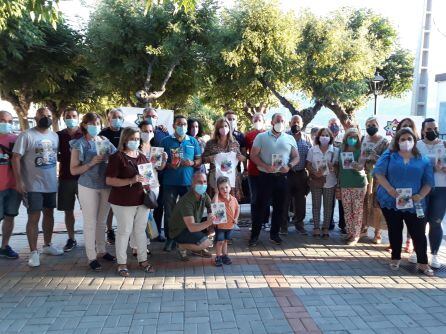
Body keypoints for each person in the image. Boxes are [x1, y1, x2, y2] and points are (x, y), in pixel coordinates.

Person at [374, 127, 434, 276]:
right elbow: (378, 173)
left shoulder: (423, 160)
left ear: (414, 141)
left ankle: (423, 262)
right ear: (397, 141)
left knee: (418, 233)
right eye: (402, 139)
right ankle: (395, 257)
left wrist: (420, 195)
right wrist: (389, 189)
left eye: (409, 139)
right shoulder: (389, 155)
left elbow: (428, 182)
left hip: (414, 204)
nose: (406, 142)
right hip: (390, 201)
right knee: (394, 230)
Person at [12, 107, 63, 267]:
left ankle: (47, 245)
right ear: (36, 117)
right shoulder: (26, 135)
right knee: (34, 217)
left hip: (50, 184)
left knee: (49, 214)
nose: (46, 118)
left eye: (48, 115)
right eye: (42, 115)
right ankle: (34, 252)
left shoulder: (55, 136)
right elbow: (15, 157)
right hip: (33, 185)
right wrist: (19, 181)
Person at [106, 127, 156, 276]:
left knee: (140, 231)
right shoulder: (117, 157)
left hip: (142, 199)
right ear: (125, 139)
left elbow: (148, 177)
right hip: (123, 201)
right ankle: (121, 263)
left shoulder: (141, 156)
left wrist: (148, 178)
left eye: (137, 138)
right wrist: (130, 180)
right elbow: (109, 180)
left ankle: (143, 260)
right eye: (132, 139)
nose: (135, 141)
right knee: (124, 231)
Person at [70, 112, 117, 271]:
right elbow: (73, 170)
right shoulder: (79, 144)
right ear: (84, 125)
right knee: (90, 222)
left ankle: (102, 251)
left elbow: (118, 157)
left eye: (97, 124)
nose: (95, 127)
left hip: (105, 185)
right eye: (91, 124)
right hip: (88, 186)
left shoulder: (105, 141)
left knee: (102, 221)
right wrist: (91, 163)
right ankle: (91, 257)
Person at [248, 113, 300, 246]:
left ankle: (274, 235)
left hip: (282, 177)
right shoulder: (261, 137)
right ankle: (254, 236)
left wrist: (289, 166)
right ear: (271, 122)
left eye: (282, 121)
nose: (280, 123)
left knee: (280, 208)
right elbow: (253, 156)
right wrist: (265, 166)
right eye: (277, 120)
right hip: (265, 177)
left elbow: (296, 157)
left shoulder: (290, 138)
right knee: (260, 207)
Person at [160, 115, 202, 252]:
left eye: (184, 124)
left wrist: (192, 163)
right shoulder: (165, 141)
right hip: (169, 183)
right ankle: (170, 239)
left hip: (188, 183)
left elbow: (199, 160)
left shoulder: (193, 141)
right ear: (173, 126)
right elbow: (158, 162)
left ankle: (191, 237)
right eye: (179, 124)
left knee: (190, 212)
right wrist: (168, 164)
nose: (182, 126)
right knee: (170, 212)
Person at [416, 118, 446, 269]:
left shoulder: (444, 145)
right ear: (422, 131)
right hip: (421, 188)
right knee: (419, 220)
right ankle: (417, 251)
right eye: (428, 129)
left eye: (435, 128)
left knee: (436, 221)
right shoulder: (417, 145)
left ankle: (434, 254)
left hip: (441, 188)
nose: (432, 131)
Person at [168, 172, 214, 261]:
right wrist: (208, 223)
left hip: (193, 225)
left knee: (219, 224)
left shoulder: (204, 195)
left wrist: (210, 215)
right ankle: (181, 245)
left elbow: (211, 206)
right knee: (207, 242)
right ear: (192, 184)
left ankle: (196, 248)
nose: (203, 184)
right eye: (199, 182)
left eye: (205, 182)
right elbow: (192, 227)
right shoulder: (187, 201)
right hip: (180, 230)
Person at [142, 107, 170, 243]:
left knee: (158, 205)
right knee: (142, 208)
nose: (151, 118)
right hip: (141, 178)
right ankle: (141, 235)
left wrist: (164, 158)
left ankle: (156, 232)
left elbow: (167, 151)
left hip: (160, 176)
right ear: (143, 117)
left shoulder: (162, 132)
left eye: (153, 116)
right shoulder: (135, 132)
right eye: (148, 115)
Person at [57, 107, 82, 252]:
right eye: (68, 116)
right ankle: (71, 238)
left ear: (78, 118)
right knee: (68, 210)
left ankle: (93, 238)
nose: (71, 118)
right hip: (66, 177)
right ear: (64, 118)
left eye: (73, 115)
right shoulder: (59, 135)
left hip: (84, 178)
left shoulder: (83, 134)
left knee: (89, 211)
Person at [360, 117, 389, 244]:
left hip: (378, 176)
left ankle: (377, 233)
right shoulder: (363, 139)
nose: (371, 127)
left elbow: (387, 160)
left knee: (377, 204)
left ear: (378, 125)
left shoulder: (384, 141)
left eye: (373, 124)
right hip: (363, 174)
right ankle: (362, 229)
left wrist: (375, 156)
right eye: (368, 124)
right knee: (363, 202)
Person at [337, 128, 367, 246]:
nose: (352, 139)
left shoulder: (361, 150)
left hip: (358, 184)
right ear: (346, 137)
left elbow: (361, 165)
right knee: (347, 210)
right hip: (345, 183)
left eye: (355, 137)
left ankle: (355, 235)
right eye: (350, 137)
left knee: (357, 210)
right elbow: (338, 167)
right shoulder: (341, 149)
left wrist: (355, 165)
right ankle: (349, 232)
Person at [306, 128, 338, 238]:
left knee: (328, 206)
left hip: (330, 181)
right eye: (322, 135)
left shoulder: (335, 151)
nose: (324, 137)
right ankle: (316, 227)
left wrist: (332, 166)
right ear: (318, 137)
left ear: (330, 138)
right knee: (316, 205)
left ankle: (325, 228)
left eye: (326, 135)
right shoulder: (312, 150)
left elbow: (339, 166)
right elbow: (308, 164)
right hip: (316, 181)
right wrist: (315, 172)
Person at [202, 118, 245, 199]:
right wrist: (210, 158)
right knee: (217, 204)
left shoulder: (234, 143)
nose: (224, 128)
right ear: (217, 129)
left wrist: (242, 158)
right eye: (221, 127)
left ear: (229, 127)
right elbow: (203, 159)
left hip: (231, 178)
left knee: (231, 202)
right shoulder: (210, 143)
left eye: (225, 126)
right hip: (215, 178)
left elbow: (240, 157)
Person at [99, 108, 124, 244]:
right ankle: (109, 230)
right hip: (109, 173)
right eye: (113, 117)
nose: (116, 119)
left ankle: (124, 230)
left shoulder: (125, 132)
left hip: (125, 173)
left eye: (119, 117)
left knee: (123, 204)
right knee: (109, 205)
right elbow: (101, 153)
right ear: (108, 119)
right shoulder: (103, 133)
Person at [395, 117, 419, 252]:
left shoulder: (418, 145)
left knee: (412, 216)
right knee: (397, 217)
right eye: (405, 125)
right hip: (398, 188)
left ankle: (410, 242)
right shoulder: (393, 147)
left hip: (414, 188)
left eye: (410, 126)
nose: (407, 128)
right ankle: (395, 243)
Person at [285, 115, 312, 235]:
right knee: (284, 200)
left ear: (301, 124)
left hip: (301, 174)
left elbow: (311, 155)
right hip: (287, 173)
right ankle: (283, 225)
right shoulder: (284, 136)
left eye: (298, 122)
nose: (296, 124)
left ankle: (299, 224)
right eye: (293, 122)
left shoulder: (307, 138)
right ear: (290, 123)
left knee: (301, 201)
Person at [0, 111, 21, 259]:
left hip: (13, 186)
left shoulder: (16, 139)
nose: (6, 123)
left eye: (9, 121)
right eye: (2, 120)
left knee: (10, 216)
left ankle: (4, 246)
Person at [245, 113, 269, 229]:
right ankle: (255, 222)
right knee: (254, 198)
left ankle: (265, 221)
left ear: (263, 121)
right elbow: (245, 153)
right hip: (253, 171)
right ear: (252, 121)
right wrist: (244, 168)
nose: (257, 121)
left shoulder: (269, 134)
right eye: (255, 119)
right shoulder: (248, 135)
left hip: (266, 171)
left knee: (265, 197)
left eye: (259, 119)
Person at [213, 176, 239, 267]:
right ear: (218, 189)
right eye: (221, 188)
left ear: (230, 187)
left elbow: (237, 209)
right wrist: (216, 194)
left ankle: (224, 255)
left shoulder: (233, 199)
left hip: (230, 226)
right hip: (220, 226)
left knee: (225, 241)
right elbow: (215, 205)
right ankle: (218, 256)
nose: (224, 190)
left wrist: (236, 218)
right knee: (219, 241)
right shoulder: (218, 198)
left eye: (226, 187)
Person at [328, 118, 345, 232]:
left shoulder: (344, 138)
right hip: (328, 175)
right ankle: (328, 222)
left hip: (341, 174)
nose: (334, 126)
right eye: (331, 124)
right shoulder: (325, 137)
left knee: (342, 200)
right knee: (329, 200)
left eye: (336, 124)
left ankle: (343, 224)